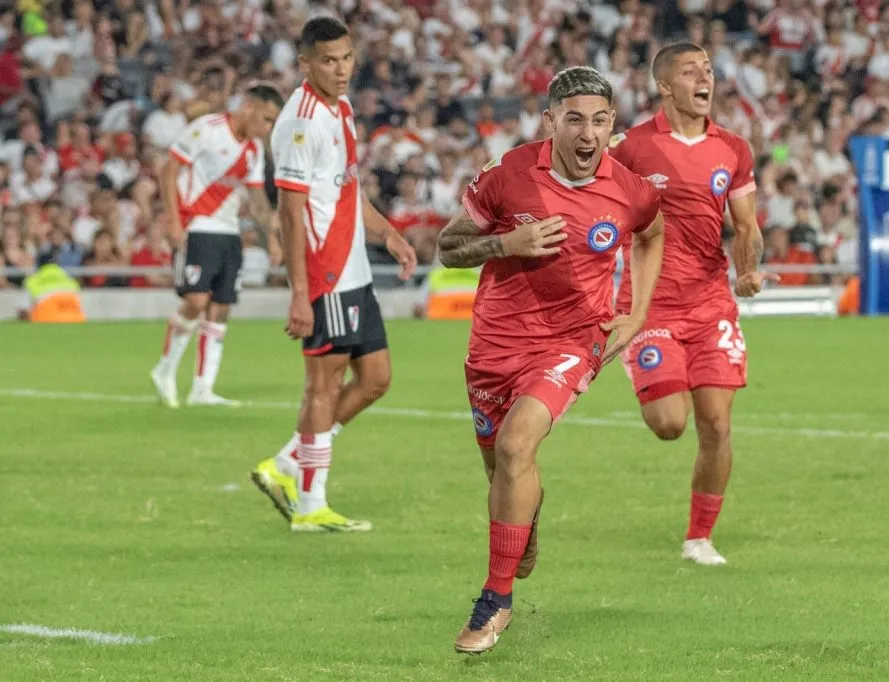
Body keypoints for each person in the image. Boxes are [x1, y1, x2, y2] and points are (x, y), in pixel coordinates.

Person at [436, 66, 665, 655]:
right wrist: (505, 244)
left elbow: (652, 232)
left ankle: (495, 599)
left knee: (515, 448)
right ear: (551, 123)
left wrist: (636, 314)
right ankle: (526, 515)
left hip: (572, 341)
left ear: (612, 124)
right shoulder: (509, 174)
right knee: (501, 470)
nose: (587, 133)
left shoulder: (629, 188)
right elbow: (449, 245)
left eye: (599, 120)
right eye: (574, 120)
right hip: (493, 346)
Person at [608, 42, 776, 566]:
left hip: (711, 304)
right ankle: (643, 363)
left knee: (718, 426)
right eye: (690, 71)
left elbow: (746, 226)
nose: (705, 78)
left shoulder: (732, 148)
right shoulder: (630, 147)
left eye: (708, 69)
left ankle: (699, 537)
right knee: (669, 424)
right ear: (665, 86)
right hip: (651, 306)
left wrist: (747, 269)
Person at [249, 17, 417, 532]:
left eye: (346, 58)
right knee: (323, 386)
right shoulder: (299, 123)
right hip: (324, 274)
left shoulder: (340, 108)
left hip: (354, 268)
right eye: (328, 60)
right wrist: (300, 291)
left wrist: (386, 231)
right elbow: (290, 212)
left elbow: (346, 188)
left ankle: (283, 464)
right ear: (305, 63)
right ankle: (309, 505)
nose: (341, 69)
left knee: (376, 379)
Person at [149, 83, 285, 408]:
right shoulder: (207, 129)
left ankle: (202, 388)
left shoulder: (253, 149)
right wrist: (174, 220)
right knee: (195, 300)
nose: (267, 129)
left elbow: (256, 198)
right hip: (197, 225)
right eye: (266, 120)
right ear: (249, 106)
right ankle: (165, 370)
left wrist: (273, 240)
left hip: (229, 231)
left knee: (221, 307)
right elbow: (170, 170)